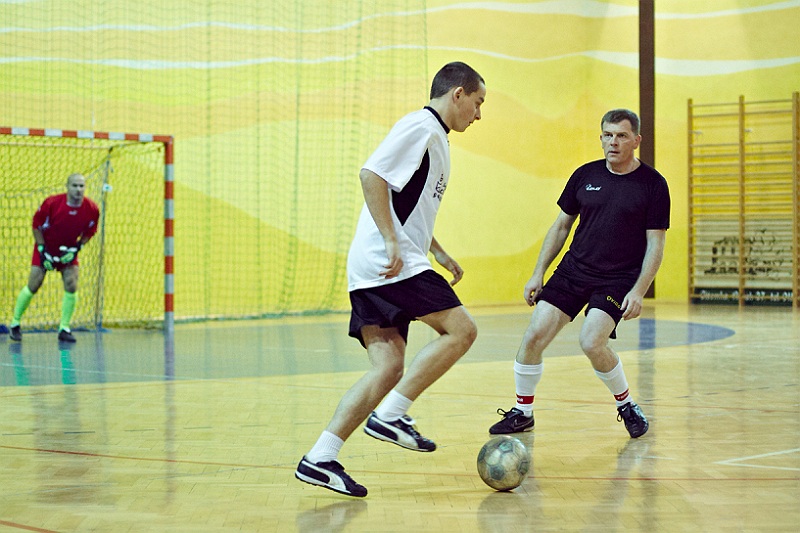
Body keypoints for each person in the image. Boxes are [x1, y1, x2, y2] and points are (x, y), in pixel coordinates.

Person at [295, 61, 486, 498]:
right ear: (457, 93)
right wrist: (391, 240)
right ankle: (392, 414)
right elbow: (372, 175)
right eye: (477, 103)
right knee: (462, 330)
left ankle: (320, 458)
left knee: (388, 368)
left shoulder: (436, 137)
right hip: (389, 262)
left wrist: (436, 249)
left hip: (378, 265)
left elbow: (406, 201)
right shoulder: (421, 126)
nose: (479, 115)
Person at [489, 109, 670, 439]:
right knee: (534, 335)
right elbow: (561, 227)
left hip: (618, 278)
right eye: (608, 135)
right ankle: (522, 412)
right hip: (574, 270)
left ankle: (627, 404)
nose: (613, 142)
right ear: (600, 138)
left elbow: (655, 244)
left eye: (621, 136)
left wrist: (639, 290)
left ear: (636, 141)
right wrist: (537, 273)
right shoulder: (585, 175)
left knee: (591, 341)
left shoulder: (653, 185)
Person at [8, 173, 100, 343]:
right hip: (46, 247)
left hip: (68, 250)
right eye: (74, 185)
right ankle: (15, 323)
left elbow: (90, 231)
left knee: (72, 283)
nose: (78, 189)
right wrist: (42, 250)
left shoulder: (92, 209)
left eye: (81, 186)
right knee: (34, 284)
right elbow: (36, 225)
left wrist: (77, 248)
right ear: (67, 187)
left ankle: (64, 328)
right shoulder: (52, 203)